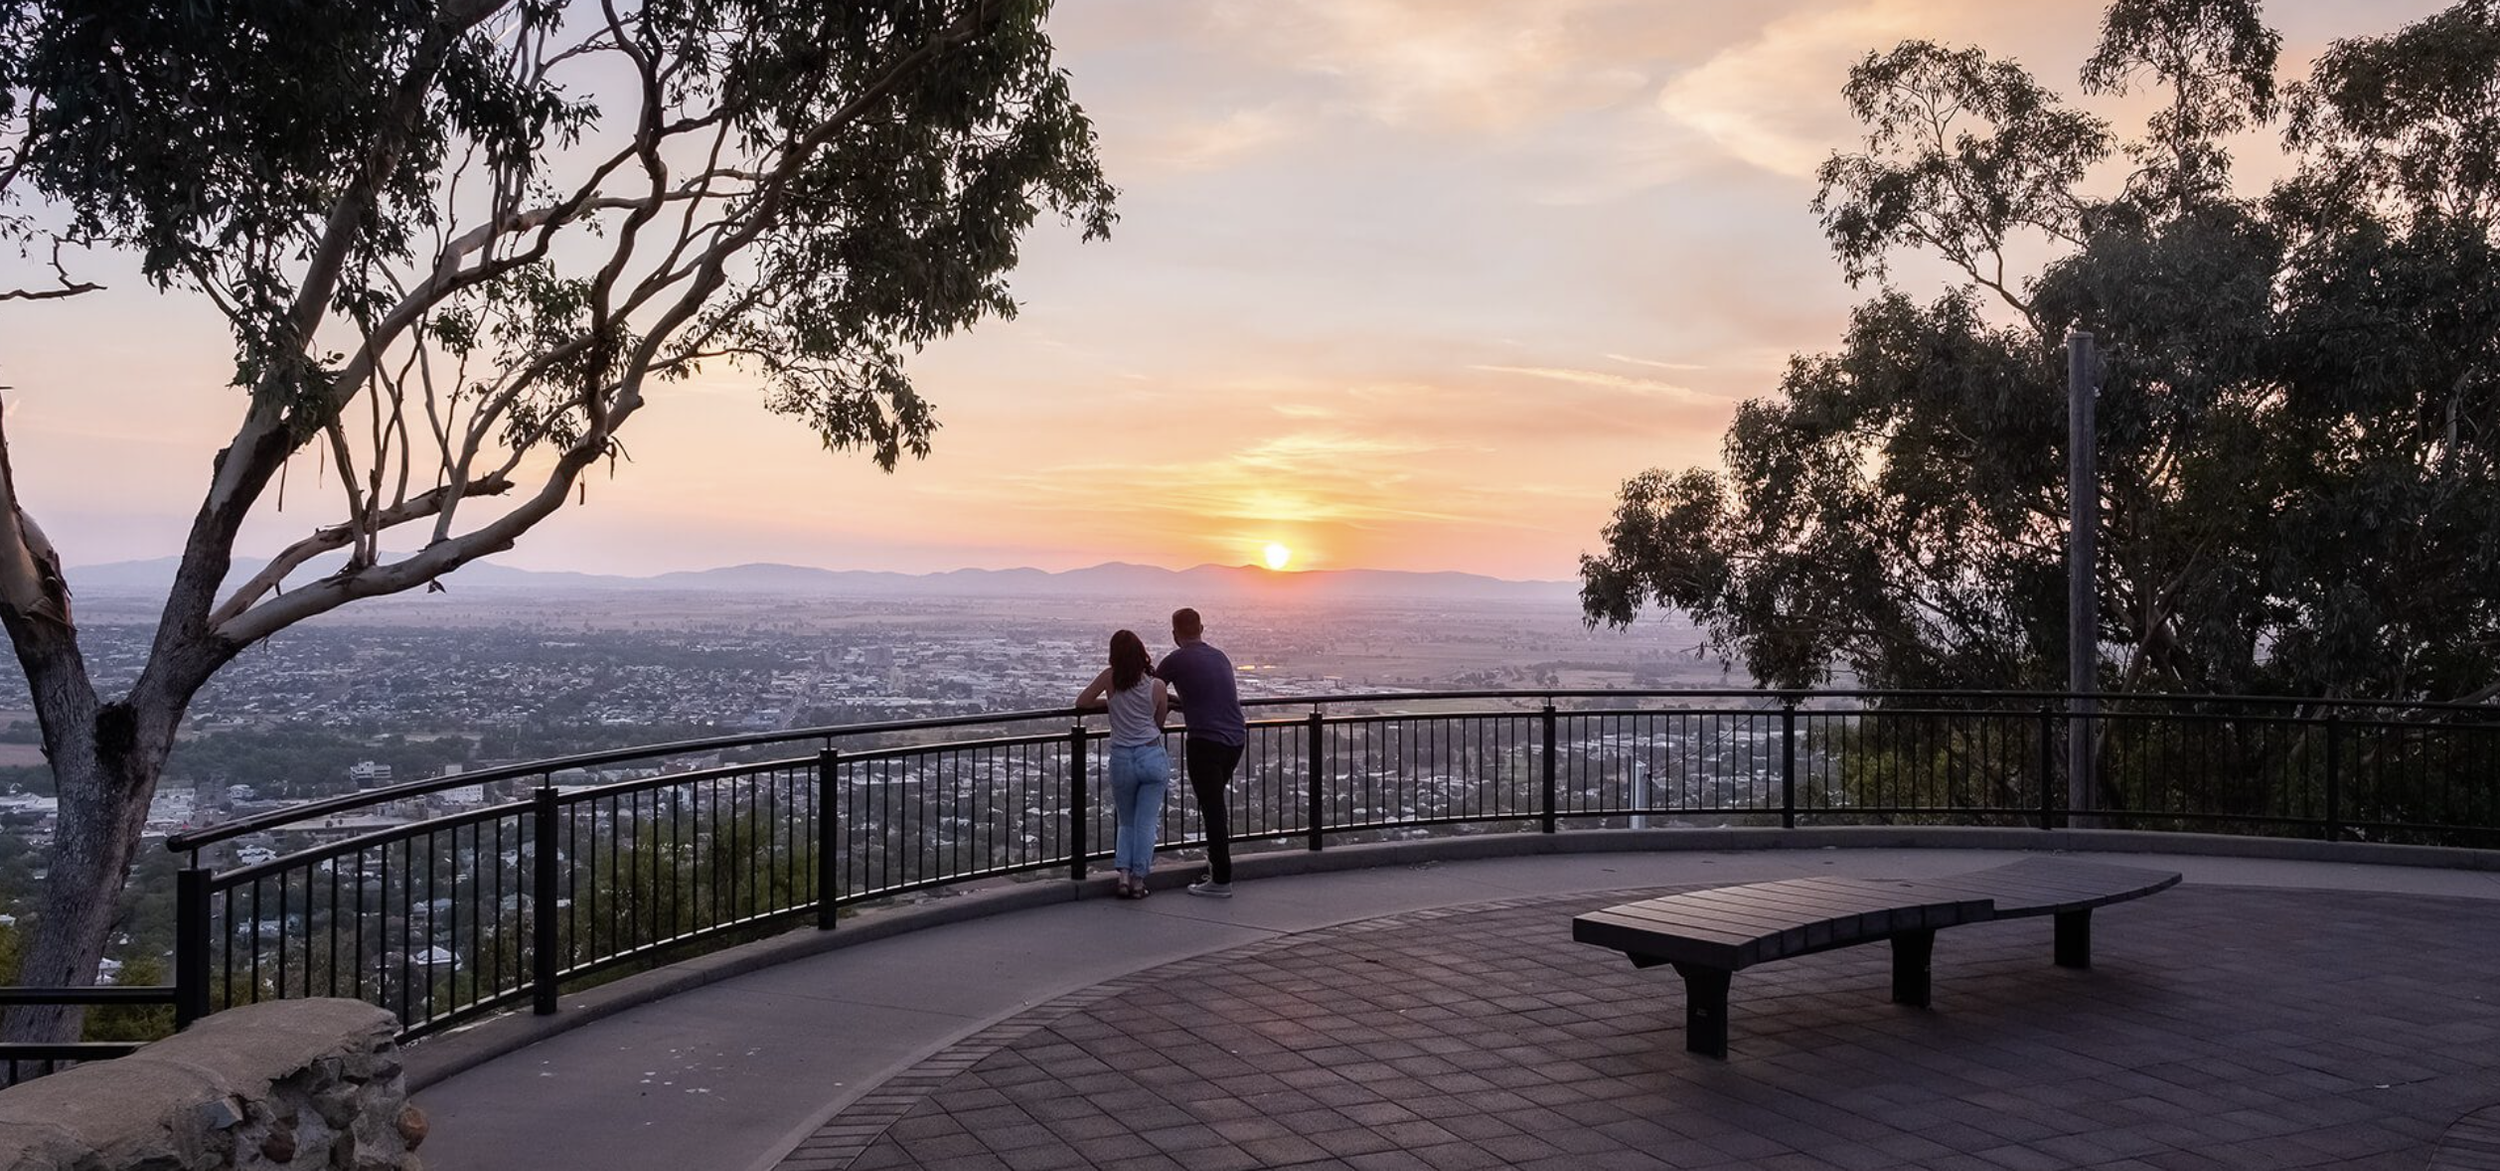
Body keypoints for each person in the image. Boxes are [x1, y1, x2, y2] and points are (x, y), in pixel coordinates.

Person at [1152, 607, 1245, 897]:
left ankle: (1221, 879)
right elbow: (1212, 696)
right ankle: (1217, 869)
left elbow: (1150, 692)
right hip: (1235, 739)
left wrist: (1171, 705)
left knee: (1213, 809)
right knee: (1215, 805)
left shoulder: (1175, 659)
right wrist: (1184, 703)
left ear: (1174, 634)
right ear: (1201, 628)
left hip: (1205, 741)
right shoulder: (1220, 656)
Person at [1076, 629, 1169, 899]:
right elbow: (1159, 722)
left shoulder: (1110, 679)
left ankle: (1124, 877)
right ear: (1142, 653)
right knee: (1146, 823)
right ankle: (1140, 879)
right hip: (1151, 755)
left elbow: (1081, 702)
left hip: (1121, 757)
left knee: (1126, 821)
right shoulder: (1157, 686)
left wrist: (1112, 702)